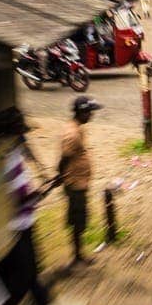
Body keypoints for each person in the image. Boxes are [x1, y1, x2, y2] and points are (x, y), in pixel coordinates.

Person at [0, 107, 55, 305]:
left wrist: (43, 177)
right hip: (16, 226)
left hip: (26, 221)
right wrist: (38, 193)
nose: (22, 136)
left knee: (28, 272)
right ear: (11, 132)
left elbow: (27, 148)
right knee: (26, 277)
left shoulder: (14, 149)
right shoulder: (7, 161)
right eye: (19, 131)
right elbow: (17, 200)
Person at [59, 95, 102, 266]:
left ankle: (78, 254)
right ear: (82, 112)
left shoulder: (77, 128)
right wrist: (62, 175)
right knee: (78, 219)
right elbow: (64, 158)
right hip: (75, 184)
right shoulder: (73, 134)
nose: (92, 115)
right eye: (90, 112)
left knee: (79, 218)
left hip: (78, 182)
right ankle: (77, 256)